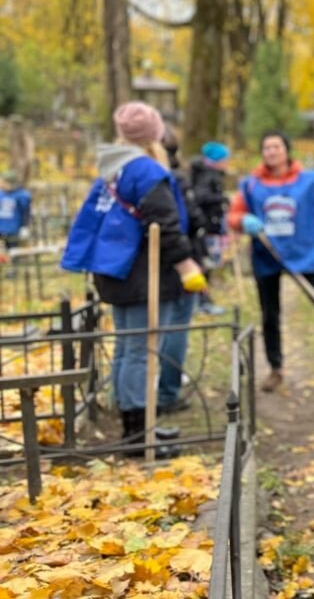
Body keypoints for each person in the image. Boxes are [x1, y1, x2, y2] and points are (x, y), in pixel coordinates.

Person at [62, 102, 208, 453]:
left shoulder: (114, 168)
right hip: (142, 273)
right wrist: (187, 265)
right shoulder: (145, 170)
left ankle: (138, 427)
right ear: (153, 134)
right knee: (141, 351)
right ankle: (139, 436)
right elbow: (165, 224)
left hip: (118, 271)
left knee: (130, 349)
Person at [227, 130, 314, 392]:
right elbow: (234, 216)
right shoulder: (251, 185)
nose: (271, 152)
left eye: (276, 147)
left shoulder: (310, 181)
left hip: (304, 251)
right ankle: (275, 367)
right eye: (267, 148)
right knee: (270, 313)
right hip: (267, 253)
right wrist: (242, 221)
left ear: (286, 150)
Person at [156, 128, 205, 413]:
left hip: (163, 261)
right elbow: (186, 222)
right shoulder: (170, 179)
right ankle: (167, 392)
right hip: (176, 262)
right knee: (175, 327)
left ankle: (161, 389)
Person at [190, 140, 230, 314]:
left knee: (208, 264)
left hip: (211, 226)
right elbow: (201, 197)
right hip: (205, 227)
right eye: (225, 159)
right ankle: (201, 301)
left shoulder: (212, 175)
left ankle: (203, 299)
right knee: (204, 263)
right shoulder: (208, 176)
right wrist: (221, 199)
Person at [0, 172, 31, 249]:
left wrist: (25, 227)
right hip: (1, 228)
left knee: (14, 252)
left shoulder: (21, 195)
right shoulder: (1, 194)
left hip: (13, 230)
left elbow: (25, 212)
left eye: (3, 182)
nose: (1, 184)